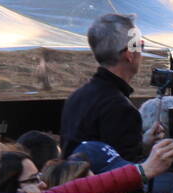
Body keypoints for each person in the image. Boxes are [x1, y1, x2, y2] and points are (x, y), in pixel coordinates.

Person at [60, 13, 145, 161]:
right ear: (130, 54)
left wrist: (144, 143)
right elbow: (126, 175)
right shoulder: (120, 108)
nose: (142, 53)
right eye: (141, 45)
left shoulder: (76, 98)